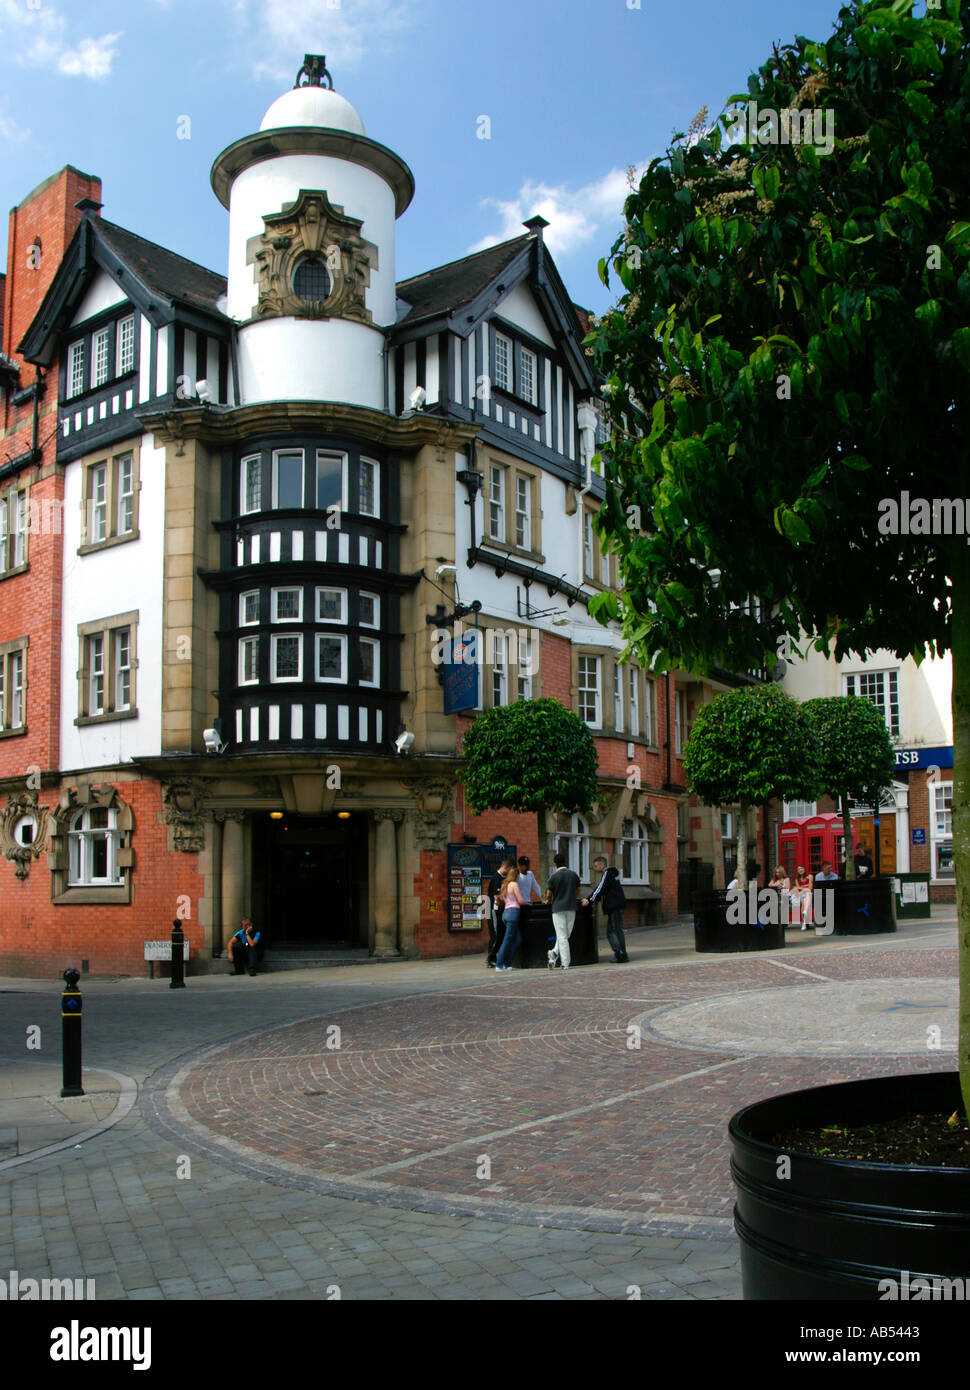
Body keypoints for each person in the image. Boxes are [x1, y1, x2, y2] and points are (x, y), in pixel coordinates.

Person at [584, 855, 629, 963]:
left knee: (614, 931)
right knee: (613, 931)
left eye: (595, 866)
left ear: (602, 865)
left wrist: (589, 900)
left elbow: (600, 888)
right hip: (617, 905)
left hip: (614, 906)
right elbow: (603, 889)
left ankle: (621, 954)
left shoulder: (607, 873)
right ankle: (620, 953)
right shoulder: (613, 874)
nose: (594, 869)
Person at [545, 852, 582, 971]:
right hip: (571, 907)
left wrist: (548, 900)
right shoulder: (573, 875)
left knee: (562, 936)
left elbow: (548, 894)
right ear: (565, 862)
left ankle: (564, 962)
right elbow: (578, 890)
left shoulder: (553, 877)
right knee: (566, 935)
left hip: (557, 908)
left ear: (555, 864)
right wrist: (572, 897)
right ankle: (555, 955)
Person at [494, 865, 526, 970]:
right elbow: (520, 901)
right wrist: (528, 903)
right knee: (507, 940)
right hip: (513, 912)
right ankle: (499, 964)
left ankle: (506, 964)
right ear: (516, 876)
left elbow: (502, 900)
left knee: (517, 939)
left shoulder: (504, 885)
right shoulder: (514, 884)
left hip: (506, 913)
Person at [485, 856, 513, 968]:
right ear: (506, 867)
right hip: (495, 910)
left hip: (499, 910)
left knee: (500, 934)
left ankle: (494, 957)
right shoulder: (496, 878)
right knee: (496, 935)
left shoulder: (502, 878)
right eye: (510, 869)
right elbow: (497, 897)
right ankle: (490, 958)